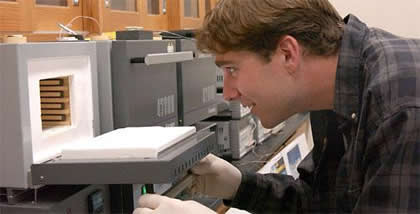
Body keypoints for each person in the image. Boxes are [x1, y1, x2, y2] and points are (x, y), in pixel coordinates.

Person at [133, 0, 420, 213]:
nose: (228, 94)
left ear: (287, 54)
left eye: (232, 69)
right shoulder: (333, 88)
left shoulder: (401, 106)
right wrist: (238, 185)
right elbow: (320, 202)